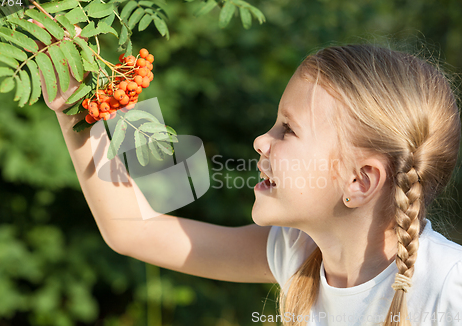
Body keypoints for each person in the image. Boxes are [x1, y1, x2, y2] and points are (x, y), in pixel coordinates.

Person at [44, 44, 462, 325]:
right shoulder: (295, 252)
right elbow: (136, 229)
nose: (262, 140)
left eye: (288, 130)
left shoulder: (449, 288)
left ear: (360, 180)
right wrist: (76, 110)